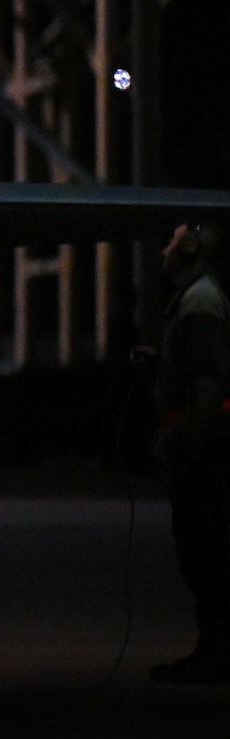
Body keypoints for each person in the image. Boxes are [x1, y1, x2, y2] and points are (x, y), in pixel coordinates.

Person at [145, 222, 230, 685]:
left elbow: (207, 381)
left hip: (202, 448)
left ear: (192, 249)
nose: (164, 251)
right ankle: (215, 644)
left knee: (204, 549)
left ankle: (219, 646)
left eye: (173, 243)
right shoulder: (199, 300)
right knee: (203, 549)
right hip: (199, 443)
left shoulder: (199, 303)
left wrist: (195, 446)